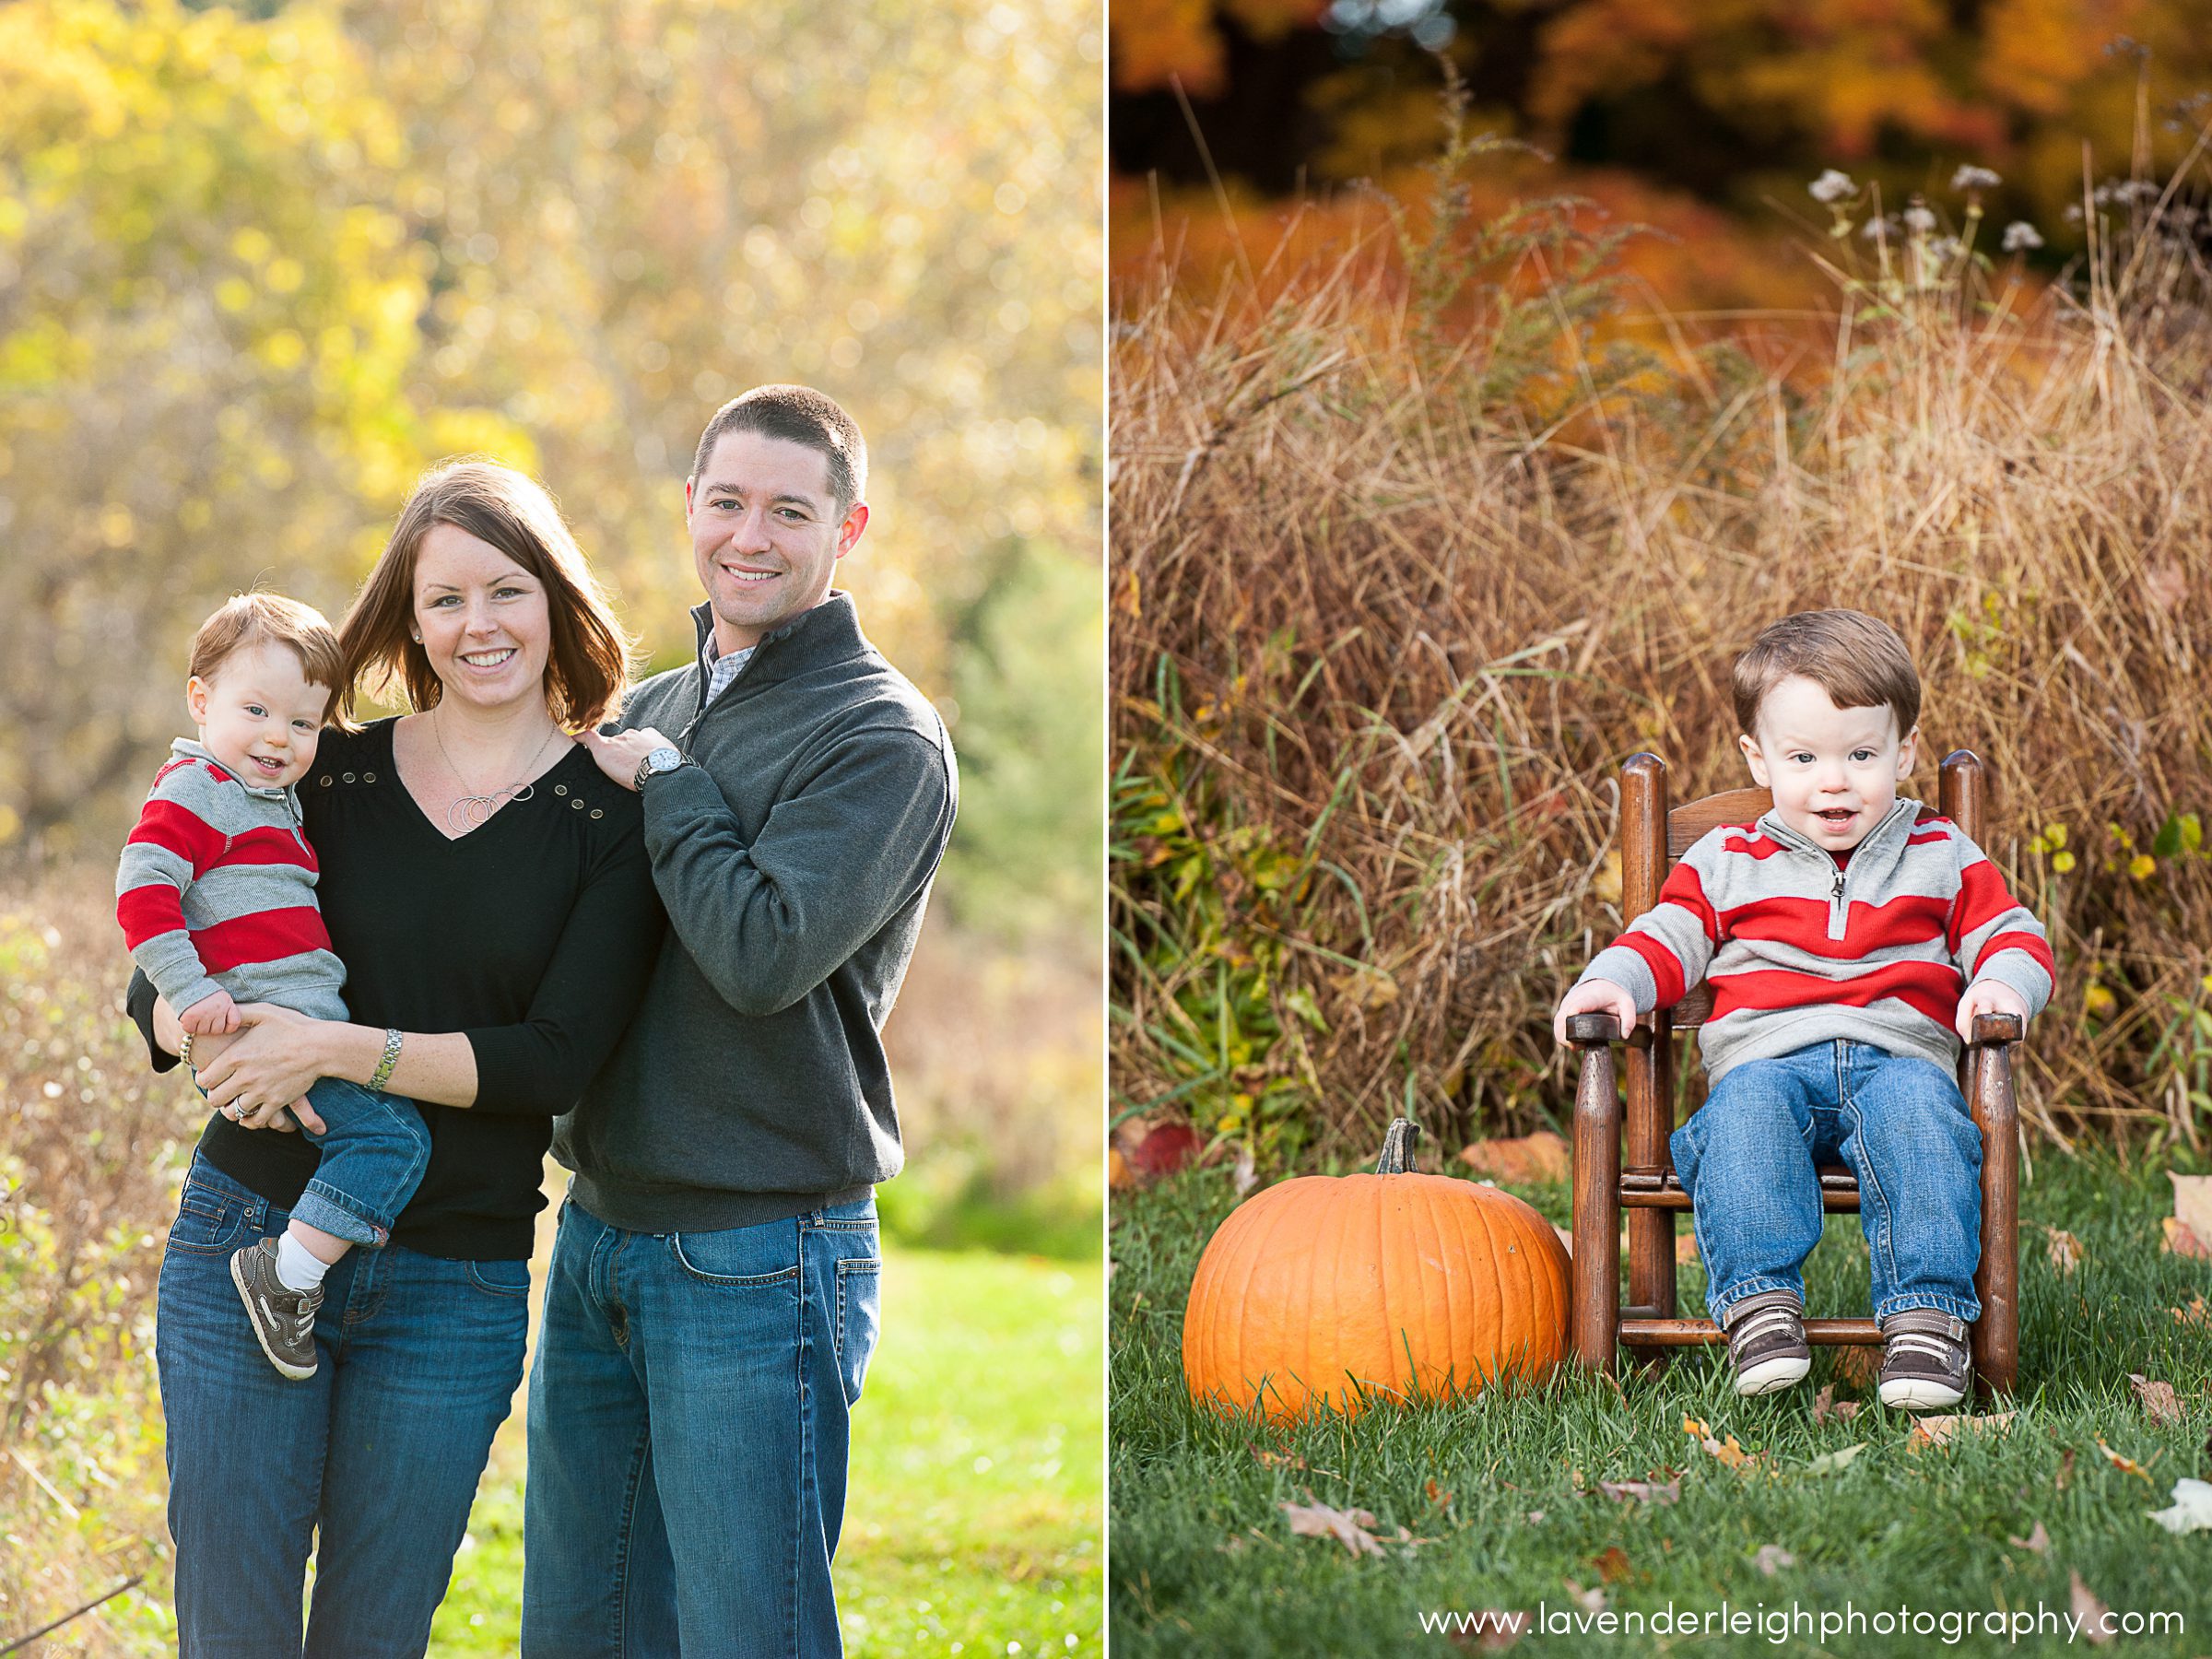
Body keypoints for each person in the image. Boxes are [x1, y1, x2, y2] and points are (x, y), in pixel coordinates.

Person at [128, 461, 666, 1657]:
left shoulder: (609, 813)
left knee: (373, 1639)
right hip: (250, 1237)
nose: (478, 625)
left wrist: (324, 1045)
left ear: (555, 602)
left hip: (452, 1288)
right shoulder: (327, 770)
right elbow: (158, 969)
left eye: (506, 591)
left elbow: (550, 1063)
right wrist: (213, 1041)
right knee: (238, 1634)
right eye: (444, 600)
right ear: (409, 622)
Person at [522, 385, 959, 1657]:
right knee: (582, 1632)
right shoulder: (650, 707)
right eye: (727, 503)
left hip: (761, 1253)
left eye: (789, 510)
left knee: (745, 1636)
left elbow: (761, 953)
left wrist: (672, 786)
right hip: (602, 1235)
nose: (749, 537)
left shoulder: (881, 736)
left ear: (849, 526)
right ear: (691, 512)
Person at [1552, 609, 2053, 1410]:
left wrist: (2000, 984)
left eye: (1862, 754)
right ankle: (1759, 1308)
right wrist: (1617, 983)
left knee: (1928, 1122)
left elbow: (2011, 933)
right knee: (1742, 1120)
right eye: (1805, 757)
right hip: (1766, 1064)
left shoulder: (1941, 850)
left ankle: (1926, 1318)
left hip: (1900, 1062)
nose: (1835, 780)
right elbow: (1669, 935)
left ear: (1905, 752)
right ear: (1759, 759)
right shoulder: (1727, 859)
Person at [118, 592, 432, 1382]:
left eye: (302, 723)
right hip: (259, 1031)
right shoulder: (199, 789)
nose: (277, 737)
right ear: (200, 698)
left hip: (300, 1035)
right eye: (255, 709)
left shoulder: (272, 798)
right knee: (394, 1140)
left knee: (373, 1137)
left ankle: (299, 1259)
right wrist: (189, 1000)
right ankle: (286, 1274)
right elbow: (142, 889)